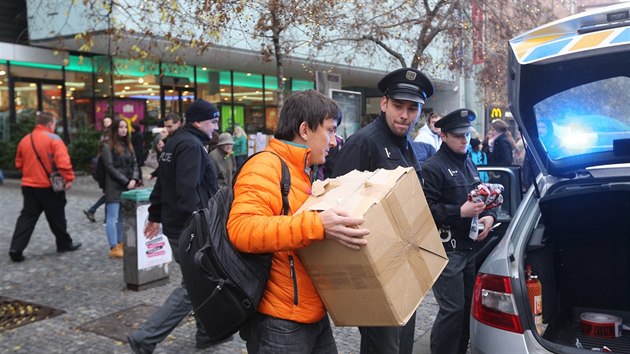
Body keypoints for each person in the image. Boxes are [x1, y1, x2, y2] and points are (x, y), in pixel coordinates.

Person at [227, 89, 369, 354]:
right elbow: (242, 229)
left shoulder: (302, 171)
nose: (335, 141)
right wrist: (317, 225)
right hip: (279, 321)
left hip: (311, 311)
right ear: (305, 130)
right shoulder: (265, 167)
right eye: (329, 130)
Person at [332, 67, 433, 354]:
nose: (405, 115)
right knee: (383, 348)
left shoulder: (408, 146)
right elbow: (340, 204)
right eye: (399, 106)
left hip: (403, 262)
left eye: (412, 109)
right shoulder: (364, 141)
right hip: (375, 267)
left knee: (402, 346)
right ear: (384, 103)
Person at [128, 98, 222, 353]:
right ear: (198, 122)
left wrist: (155, 215)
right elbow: (186, 191)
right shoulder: (191, 145)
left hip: (178, 226)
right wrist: (201, 226)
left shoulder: (176, 142)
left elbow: (161, 183)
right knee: (196, 285)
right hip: (190, 228)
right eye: (213, 122)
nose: (215, 127)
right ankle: (146, 337)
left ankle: (207, 334)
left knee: (204, 280)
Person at [420, 109, 497, 354]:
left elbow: (481, 197)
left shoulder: (467, 160)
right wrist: (459, 211)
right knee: (452, 309)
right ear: (443, 135)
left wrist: (487, 216)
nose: (465, 140)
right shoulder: (433, 167)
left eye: (466, 134)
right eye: (458, 135)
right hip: (447, 249)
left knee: (465, 308)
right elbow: (426, 211)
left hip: (469, 247)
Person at [8, 111, 81, 263]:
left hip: (28, 185)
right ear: (50, 124)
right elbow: (63, 163)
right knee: (57, 216)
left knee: (27, 217)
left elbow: (18, 163)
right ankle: (64, 243)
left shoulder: (25, 140)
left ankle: (16, 247)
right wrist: (68, 178)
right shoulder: (54, 139)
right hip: (48, 186)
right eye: (54, 124)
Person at [101, 118, 141, 258]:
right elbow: (110, 167)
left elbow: (135, 163)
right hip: (113, 185)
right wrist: (126, 181)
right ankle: (113, 246)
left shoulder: (128, 145)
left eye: (125, 127)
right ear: (115, 129)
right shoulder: (107, 146)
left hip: (127, 184)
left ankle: (120, 243)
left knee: (121, 216)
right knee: (112, 217)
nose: (124, 130)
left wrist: (134, 179)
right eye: (121, 127)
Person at [83, 116, 112, 223]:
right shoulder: (106, 142)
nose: (106, 123)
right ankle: (105, 217)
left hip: (105, 173)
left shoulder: (105, 138)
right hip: (106, 174)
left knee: (109, 196)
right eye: (105, 121)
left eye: (108, 121)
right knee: (110, 196)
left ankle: (94, 211)